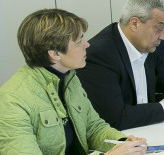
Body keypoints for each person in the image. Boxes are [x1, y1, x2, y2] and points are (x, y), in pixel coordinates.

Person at [0, 9, 147, 154]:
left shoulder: (69, 77)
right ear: (54, 53)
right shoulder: (11, 101)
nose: (87, 44)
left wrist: (124, 143)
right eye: (78, 42)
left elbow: (93, 127)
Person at [77, 0, 164, 130]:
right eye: (159, 29)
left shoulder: (145, 43)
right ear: (134, 23)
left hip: (148, 128)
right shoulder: (100, 55)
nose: (163, 37)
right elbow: (115, 118)